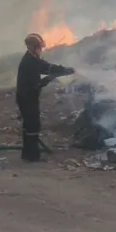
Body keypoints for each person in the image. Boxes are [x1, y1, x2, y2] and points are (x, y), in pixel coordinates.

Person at [15, 33, 75, 162]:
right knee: (33, 125)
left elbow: (46, 67)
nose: (41, 50)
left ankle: (28, 154)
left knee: (29, 125)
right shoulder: (29, 62)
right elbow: (36, 84)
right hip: (27, 98)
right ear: (32, 48)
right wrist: (50, 78)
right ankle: (32, 156)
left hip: (27, 97)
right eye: (39, 48)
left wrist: (64, 70)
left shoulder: (32, 59)